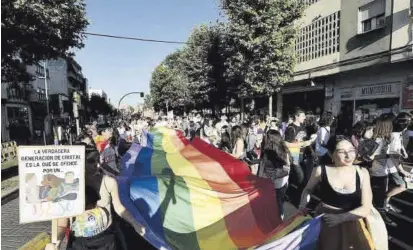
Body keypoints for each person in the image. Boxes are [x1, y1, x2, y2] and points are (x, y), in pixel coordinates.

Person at [45, 147, 145, 250]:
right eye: (91, 161)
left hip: (106, 241)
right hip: (79, 243)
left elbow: (119, 207)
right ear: (80, 163)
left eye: (98, 160)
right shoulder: (66, 189)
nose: (97, 165)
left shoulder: (109, 182)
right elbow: (62, 224)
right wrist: (56, 242)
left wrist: (134, 223)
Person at [299, 135, 376, 250]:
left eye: (351, 150)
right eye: (341, 151)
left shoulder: (362, 172)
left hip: (353, 221)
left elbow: (366, 207)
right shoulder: (320, 170)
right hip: (326, 222)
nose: (348, 156)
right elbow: (308, 189)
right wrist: (302, 204)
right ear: (331, 154)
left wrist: (340, 218)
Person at [259, 130, 291, 219]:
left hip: (280, 183)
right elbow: (262, 165)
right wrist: (260, 179)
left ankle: (279, 220)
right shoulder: (266, 150)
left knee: (278, 203)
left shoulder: (283, 152)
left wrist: (274, 176)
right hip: (267, 182)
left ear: (271, 139)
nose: (264, 138)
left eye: (266, 137)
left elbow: (287, 170)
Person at [284, 108, 316, 188]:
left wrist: (311, 143)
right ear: (296, 116)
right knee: (301, 178)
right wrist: (302, 144)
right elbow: (287, 144)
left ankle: (290, 190)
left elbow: (306, 141)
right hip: (295, 156)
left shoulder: (303, 127)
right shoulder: (291, 128)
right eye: (302, 116)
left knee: (299, 176)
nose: (304, 118)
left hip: (304, 155)